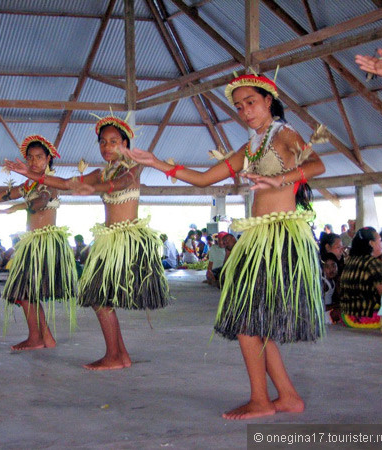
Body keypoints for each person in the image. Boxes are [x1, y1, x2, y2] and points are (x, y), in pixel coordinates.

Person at [123, 73, 325, 419]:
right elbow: (204, 178)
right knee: (254, 322)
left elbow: (316, 164)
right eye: (239, 106)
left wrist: (280, 178)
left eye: (251, 102)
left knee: (247, 323)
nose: (245, 111)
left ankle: (262, 401)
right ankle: (287, 396)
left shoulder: (284, 133)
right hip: (259, 239)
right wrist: (156, 163)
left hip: (281, 240)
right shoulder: (251, 147)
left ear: (268, 101)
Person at [5, 118, 170, 369]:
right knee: (99, 298)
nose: (107, 146)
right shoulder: (100, 172)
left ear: (125, 143)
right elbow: (65, 183)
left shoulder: (133, 166)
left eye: (114, 141)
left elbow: (122, 183)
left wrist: (96, 188)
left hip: (127, 241)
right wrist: (29, 174)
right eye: (103, 142)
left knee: (99, 298)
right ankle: (119, 355)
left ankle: (115, 355)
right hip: (109, 240)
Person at [0, 135, 78, 350]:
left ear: (49, 158)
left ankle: (37, 338)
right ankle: (44, 337)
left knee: (24, 292)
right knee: (27, 292)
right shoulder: (27, 185)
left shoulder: (51, 182)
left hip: (44, 244)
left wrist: (18, 207)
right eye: (30, 158)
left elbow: (40, 203)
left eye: (39, 157)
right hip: (32, 243)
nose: (34, 162)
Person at [339, 227, 382, 329]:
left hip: (346, 318)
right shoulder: (374, 263)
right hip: (367, 318)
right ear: (371, 243)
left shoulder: (350, 262)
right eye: (380, 240)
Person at [321, 253, 341, 324]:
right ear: (322, 268)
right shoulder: (323, 283)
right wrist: (337, 305)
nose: (331, 269)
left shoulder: (332, 281)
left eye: (333, 266)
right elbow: (321, 307)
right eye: (327, 267)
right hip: (323, 316)